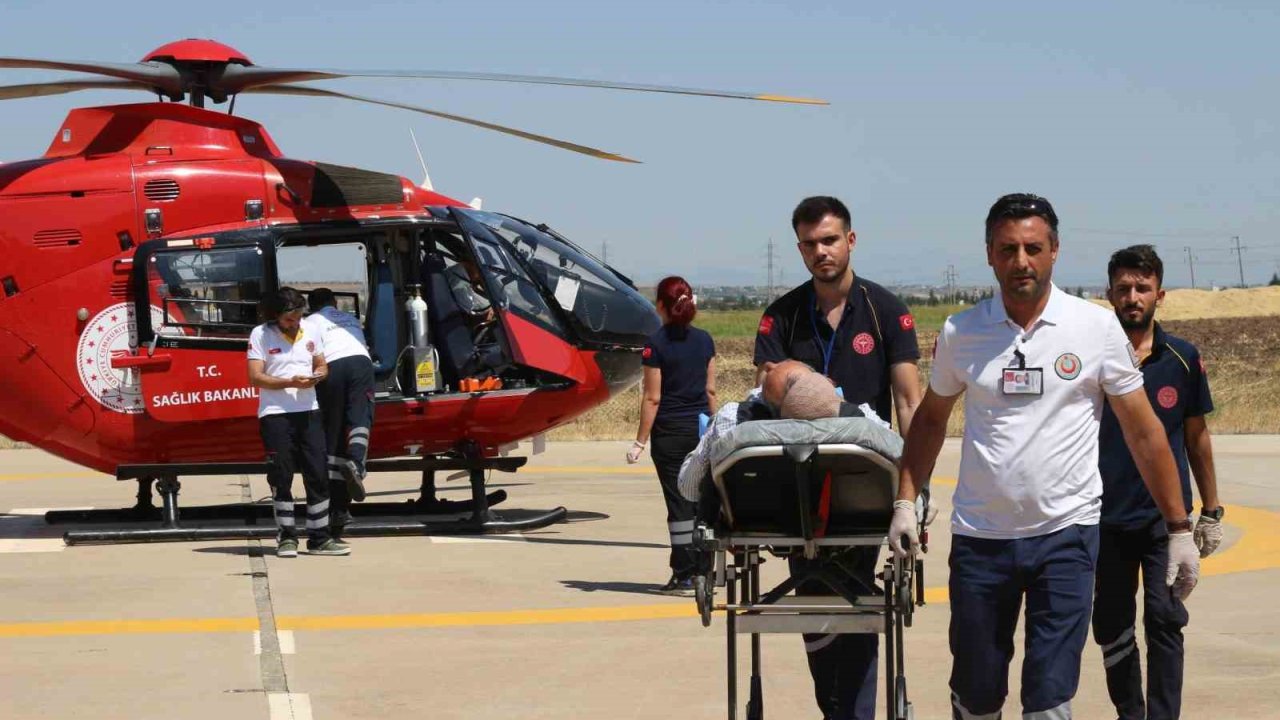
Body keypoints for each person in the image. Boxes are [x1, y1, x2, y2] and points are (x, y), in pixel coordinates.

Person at [889, 194, 1199, 719]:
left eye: (1033, 248)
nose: (1021, 262)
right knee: (976, 692)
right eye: (1008, 249)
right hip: (981, 541)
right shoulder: (963, 332)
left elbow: (1146, 434)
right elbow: (932, 420)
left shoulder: (1094, 329)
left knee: (1050, 695)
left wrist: (1179, 529)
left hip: (1067, 537)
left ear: (1055, 251)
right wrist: (904, 500)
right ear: (989, 254)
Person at [753, 195, 923, 720]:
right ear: (800, 249)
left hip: (865, 484)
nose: (821, 252)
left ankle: (853, 715)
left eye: (830, 240)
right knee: (813, 605)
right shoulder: (782, 315)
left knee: (856, 605)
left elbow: (909, 403)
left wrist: (915, 492)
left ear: (850, 240)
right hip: (799, 487)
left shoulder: (887, 312)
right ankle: (838, 712)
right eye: (809, 244)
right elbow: (767, 388)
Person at [1093, 245, 1223, 720]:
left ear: (1159, 294)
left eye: (1142, 288)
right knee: (1110, 626)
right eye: (1123, 288)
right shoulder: (1092, 359)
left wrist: (1210, 510)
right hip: (1102, 519)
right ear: (1109, 294)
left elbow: (1197, 439)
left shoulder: (1183, 359)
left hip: (1165, 523)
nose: (1133, 296)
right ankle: (1131, 711)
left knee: (1166, 621)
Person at [627, 276, 717, 596]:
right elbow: (710, 390)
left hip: (669, 435)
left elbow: (653, 398)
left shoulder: (656, 344)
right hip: (700, 431)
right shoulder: (705, 340)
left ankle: (685, 575)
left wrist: (639, 442)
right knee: (703, 502)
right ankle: (707, 570)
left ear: (662, 306)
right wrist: (715, 428)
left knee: (679, 505)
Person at [246, 287, 349, 557]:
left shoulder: (311, 331)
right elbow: (256, 377)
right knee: (282, 474)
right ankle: (287, 537)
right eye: (290, 319)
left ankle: (320, 538)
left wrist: (319, 374)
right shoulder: (261, 334)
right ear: (276, 316)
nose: (295, 323)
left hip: (309, 411)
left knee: (317, 473)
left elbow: (322, 363)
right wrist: (289, 382)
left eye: (299, 317)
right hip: (276, 413)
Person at [306, 288, 376, 536]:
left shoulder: (309, 322)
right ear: (334, 303)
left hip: (331, 367)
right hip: (359, 362)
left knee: (333, 433)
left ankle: (338, 509)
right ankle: (357, 463)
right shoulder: (351, 319)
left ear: (310, 306)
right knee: (360, 417)